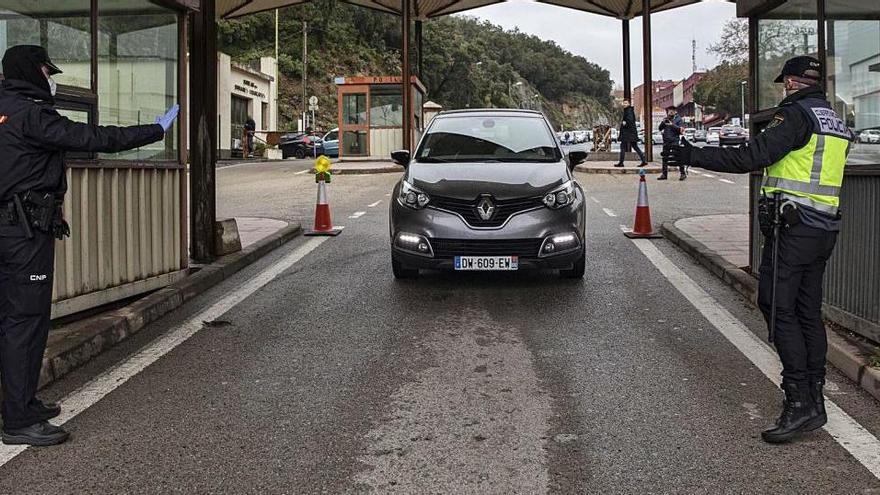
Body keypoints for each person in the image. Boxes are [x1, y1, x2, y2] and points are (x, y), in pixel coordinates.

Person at [663, 56, 852, 444]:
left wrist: (692, 155)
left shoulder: (796, 116)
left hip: (795, 229)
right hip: (823, 228)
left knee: (778, 307)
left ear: (793, 84)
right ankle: (814, 400)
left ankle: (800, 403)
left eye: (785, 84)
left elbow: (752, 157)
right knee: (805, 311)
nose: (784, 89)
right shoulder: (833, 119)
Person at [0, 45, 178, 446]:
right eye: (48, 71)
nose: (52, 79)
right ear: (31, 70)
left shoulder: (7, 107)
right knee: (25, 321)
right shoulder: (32, 113)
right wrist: (155, 130)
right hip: (24, 232)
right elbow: (94, 137)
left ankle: (22, 403)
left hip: (9, 229)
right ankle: (18, 420)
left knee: (11, 321)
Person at [614, 99, 647, 167]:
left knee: (623, 146)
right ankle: (643, 160)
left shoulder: (628, 110)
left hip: (627, 132)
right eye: (624, 103)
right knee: (635, 146)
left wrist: (625, 123)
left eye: (626, 103)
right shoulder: (628, 110)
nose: (624, 104)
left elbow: (630, 120)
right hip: (631, 132)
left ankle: (621, 162)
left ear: (629, 104)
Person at [658, 105, 685, 180]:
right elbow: (660, 128)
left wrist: (672, 124)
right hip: (666, 141)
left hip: (674, 141)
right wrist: (663, 123)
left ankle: (683, 173)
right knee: (665, 158)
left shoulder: (679, 119)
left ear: (675, 111)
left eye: (672, 111)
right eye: (669, 111)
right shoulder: (666, 119)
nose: (671, 112)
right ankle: (664, 174)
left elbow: (681, 130)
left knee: (677, 157)